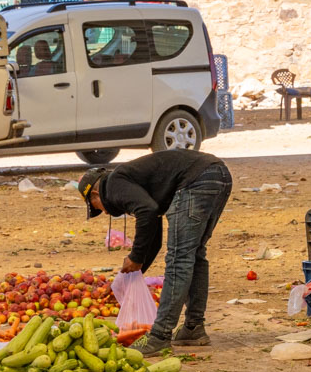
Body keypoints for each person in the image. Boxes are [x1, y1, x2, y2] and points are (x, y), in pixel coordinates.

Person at [79, 150, 233, 357]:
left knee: (179, 258)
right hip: (218, 175)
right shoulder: (134, 181)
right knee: (194, 254)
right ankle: (193, 327)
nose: (105, 212)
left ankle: (160, 336)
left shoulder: (113, 184)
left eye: (97, 207)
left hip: (196, 180)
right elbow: (154, 233)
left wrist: (135, 257)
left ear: (96, 193)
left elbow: (147, 212)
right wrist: (135, 269)